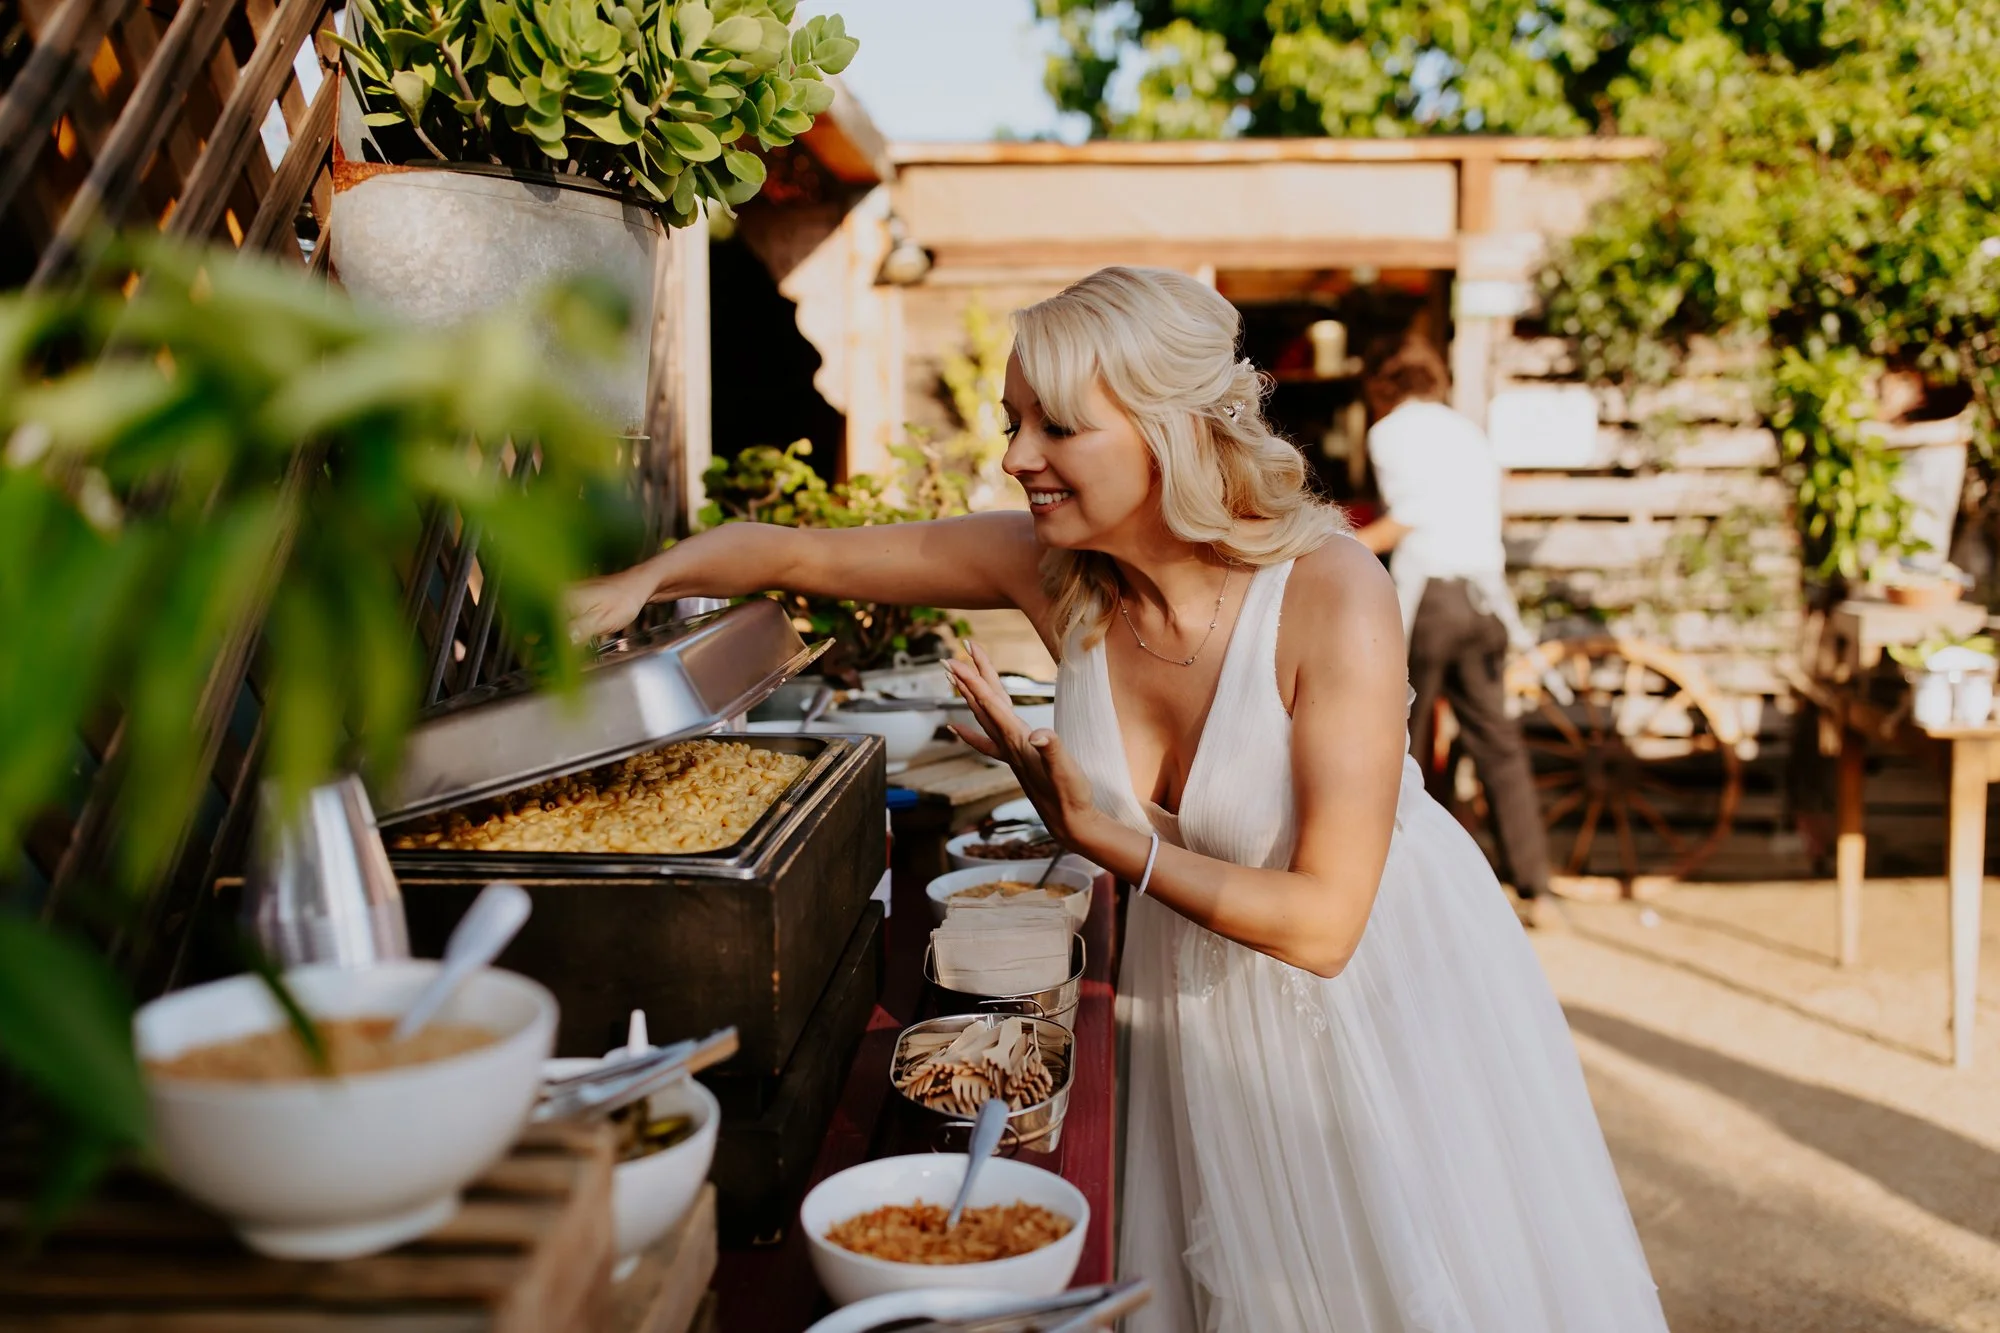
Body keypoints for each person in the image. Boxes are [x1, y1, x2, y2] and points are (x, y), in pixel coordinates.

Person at [570, 267, 1666, 1333]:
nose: (1014, 458)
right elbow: (805, 553)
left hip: (1380, 990)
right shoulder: (1050, 569)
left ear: (1168, 428)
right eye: (1011, 422)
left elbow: (1326, 926)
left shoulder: (1333, 592)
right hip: (1190, 994)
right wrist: (642, 582)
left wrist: (1101, 839)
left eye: (1053, 427)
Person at [1353, 335, 1556, 926]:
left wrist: (1334, 549)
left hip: (1434, 601)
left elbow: (1407, 517)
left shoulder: (1390, 432)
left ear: (1384, 389)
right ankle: (1534, 884)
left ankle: (1390, 883)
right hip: (1485, 600)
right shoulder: (1468, 433)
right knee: (1499, 744)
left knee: (1398, 739)